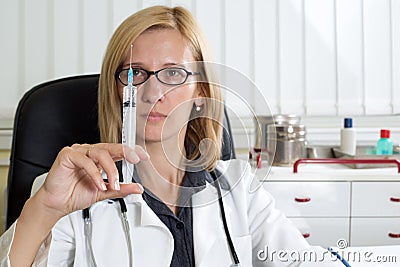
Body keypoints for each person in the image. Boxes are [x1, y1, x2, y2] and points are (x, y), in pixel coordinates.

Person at [0, 5, 344, 267]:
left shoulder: (239, 188)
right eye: (134, 73)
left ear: (200, 94)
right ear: (117, 92)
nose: (151, 91)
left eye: (174, 73)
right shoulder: (68, 191)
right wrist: (44, 208)